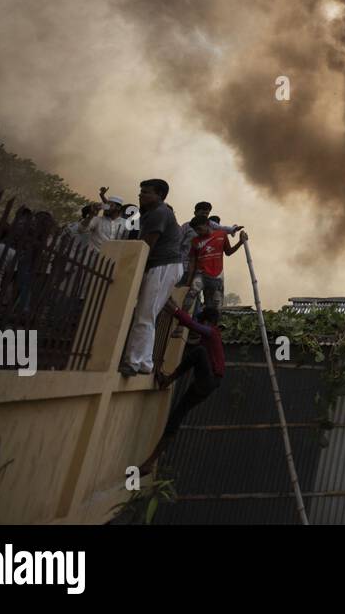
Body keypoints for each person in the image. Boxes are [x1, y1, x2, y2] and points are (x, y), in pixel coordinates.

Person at [141, 300, 224, 473]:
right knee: (176, 416)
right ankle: (150, 462)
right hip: (206, 385)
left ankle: (167, 380)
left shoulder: (212, 333)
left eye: (202, 321)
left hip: (208, 380)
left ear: (208, 322)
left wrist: (174, 309)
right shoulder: (209, 340)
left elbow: (191, 324)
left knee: (198, 352)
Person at [119, 179, 181, 377]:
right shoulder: (152, 213)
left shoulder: (159, 214)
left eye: (146, 192)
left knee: (145, 314)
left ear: (160, 195)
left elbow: (146, 246)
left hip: (162, 266)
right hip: (163, 266)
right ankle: (145, 362)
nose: (141, 195)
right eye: (141, 192)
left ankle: (134, 363)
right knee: (147, 314)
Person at [180, 217, 247, 316]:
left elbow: (228, 252)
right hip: (201, 274)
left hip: (217, 277)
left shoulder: (222, 235)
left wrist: (240, 242)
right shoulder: (195, 241)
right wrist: (189, 281)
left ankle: (210, 328)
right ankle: (181, 323)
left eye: (199, 229)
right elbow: (192, 262)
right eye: (195, 230)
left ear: (207, 224)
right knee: (191, 294)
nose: (198, 232)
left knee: (215, 306)